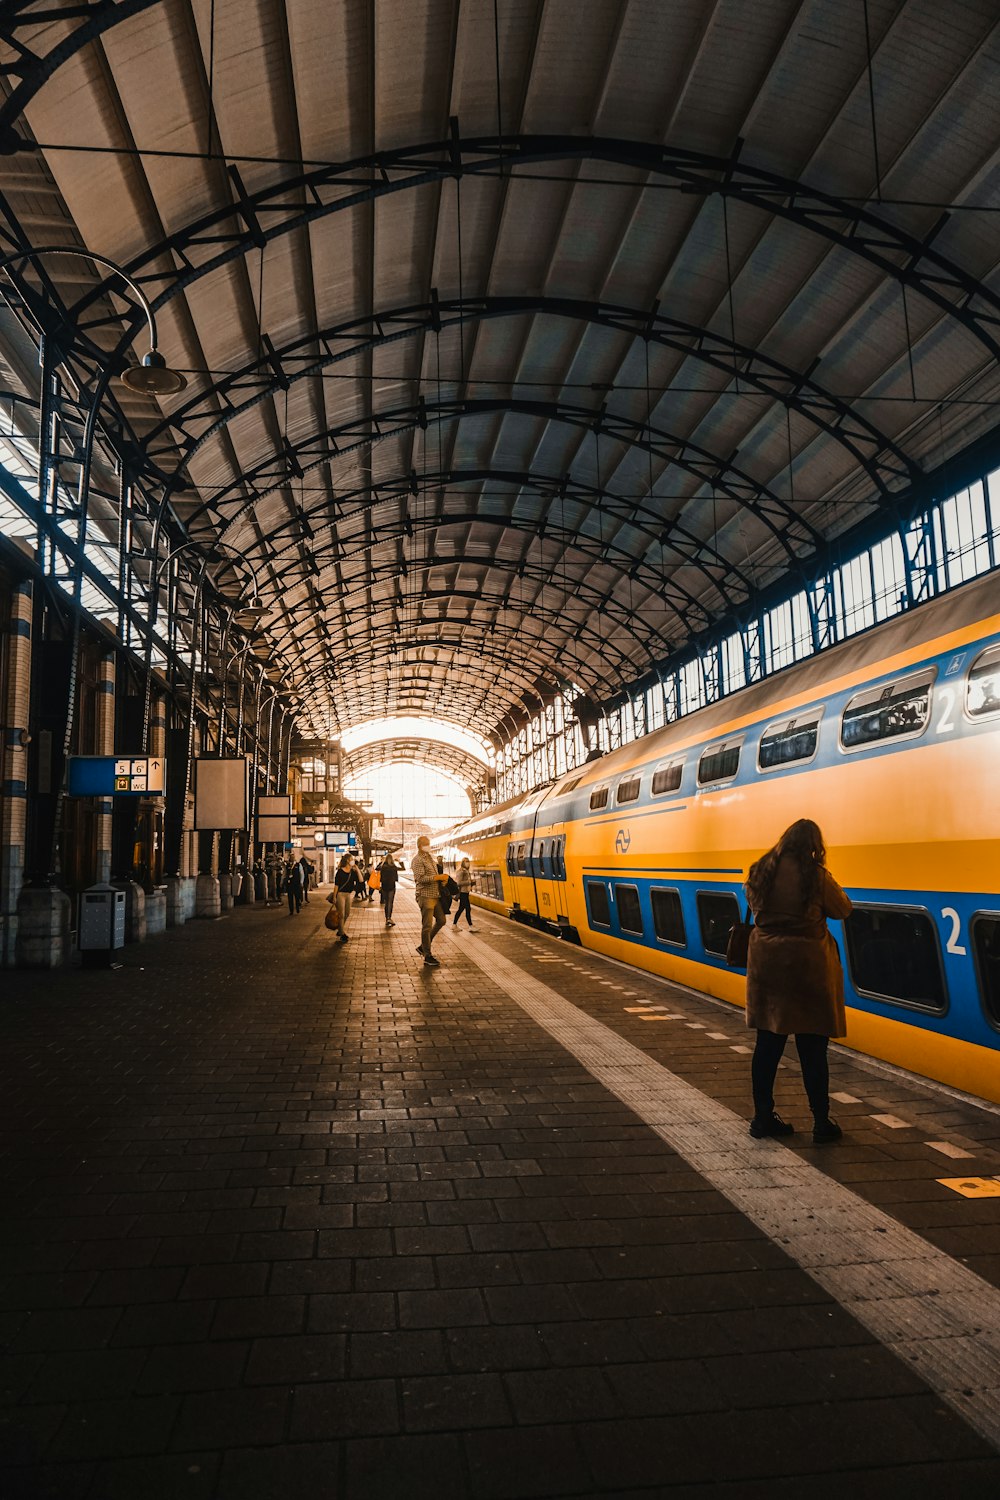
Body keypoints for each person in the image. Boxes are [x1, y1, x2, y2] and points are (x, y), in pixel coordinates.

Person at [744, 818, 852, 1144]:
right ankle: (821, 1121)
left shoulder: (759, 871)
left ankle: (763, 1117)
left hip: (768, 967)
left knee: (767, 1047)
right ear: (813, 846)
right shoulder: (815, 876)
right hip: (808, 970)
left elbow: (753, 905)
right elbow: (843, 909)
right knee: (813, 1050)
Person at [411, 835, 448, 967]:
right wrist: (437, 877)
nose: (428, 845)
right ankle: (427, 955)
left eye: (429, 843)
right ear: (420, 846)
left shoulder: (430, 858)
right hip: (425, 896)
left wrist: (442, 881)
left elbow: (433, 876)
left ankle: (423, 946)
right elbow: (420, 878)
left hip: (435, 895)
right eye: (426, 844)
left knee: (442, 920)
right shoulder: (417, 860)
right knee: (426, 926)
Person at [329, 854, 360, 943]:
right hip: (341, 895)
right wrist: (334, 896)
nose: (352, 861)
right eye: (351, 859)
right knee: (341, 914)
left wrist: (357, 869)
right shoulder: (340, 872)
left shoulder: (352, 872)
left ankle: (340, 929)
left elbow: (361, 880)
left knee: (347, 913)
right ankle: (342, 934)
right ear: (347, 860)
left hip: (348, 895)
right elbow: (336, 885)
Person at [452, 857, 475, 929]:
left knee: (463, 909)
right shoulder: (461, 871)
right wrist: (469, 882)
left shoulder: (466, 871)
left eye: (468, 861)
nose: (467, 863)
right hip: (462, 893)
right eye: (465, 861)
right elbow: (458, 883)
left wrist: (471, 883)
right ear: (462, 862)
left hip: (465, 892)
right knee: (466, 909)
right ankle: (470, 926)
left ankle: (454, 925)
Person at [379, 854, 398, 927]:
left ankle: (387, 918)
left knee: (386, 903)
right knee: (390, 903)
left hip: (384, 886)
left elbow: (381, 878)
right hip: (391, 886)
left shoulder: (383, 867)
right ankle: (389, 918)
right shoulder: (393, 867)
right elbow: (396, 878)